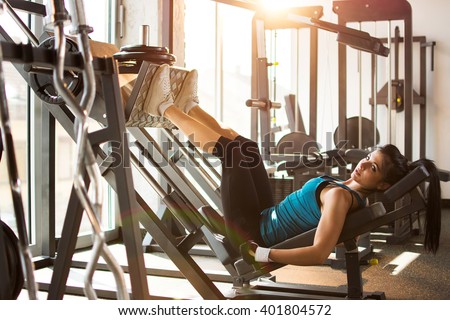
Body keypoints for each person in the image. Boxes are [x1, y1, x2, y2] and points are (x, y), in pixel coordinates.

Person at [140, 63, 442, 267]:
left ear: (383, 186)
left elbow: (320, 252)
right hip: (264, 215)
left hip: (250, 234)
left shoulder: (339, 197)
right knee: (246, 146)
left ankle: (164, 107)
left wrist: (262, 254)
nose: (363, 165)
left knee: (231, 152)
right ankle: (190, 106)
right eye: (368, 159)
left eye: (373, 168)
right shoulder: (344, 189)